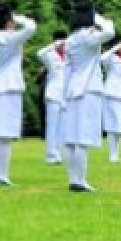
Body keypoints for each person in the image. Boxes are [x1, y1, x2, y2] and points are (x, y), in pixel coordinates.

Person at [61, 0, 117, 193]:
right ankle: (80, 180)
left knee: (71, 137)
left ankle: (73, 178)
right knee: (82, 137)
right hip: (89, 87)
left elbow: (67, 69)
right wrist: (98, 17)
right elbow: (110, 31)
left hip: (72, 88)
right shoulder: (87, 36)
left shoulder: (70, 39)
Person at [0, 4, 37, 186]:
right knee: (5, 135)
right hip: (8, 89)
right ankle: (1, 175)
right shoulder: (8, 38)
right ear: (9, 22)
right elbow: (31, 27)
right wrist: (18, 17)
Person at [36, 33, 68, 164]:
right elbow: (39, 53)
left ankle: (59, 152)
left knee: (63, 126)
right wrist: (54, 45)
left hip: (65, 95)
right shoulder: (50, 55)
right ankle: (50, 154)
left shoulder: (68, 56)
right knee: (52, 126)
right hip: (53, 94)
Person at [100, 37, 121, 163]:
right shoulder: (111, 58)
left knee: (120, 127)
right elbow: (101, 59)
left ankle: (116, 153)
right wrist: (114, 48)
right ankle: (112, 154)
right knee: (112, 125)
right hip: (111, 95)